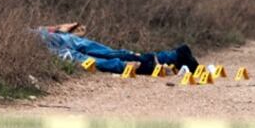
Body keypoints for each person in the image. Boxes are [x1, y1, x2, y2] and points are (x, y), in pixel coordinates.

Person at [38, 26, 199, 75]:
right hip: (47, 38)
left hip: (48, 39)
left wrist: (57, 28)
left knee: (94, 57)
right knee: (106, 54)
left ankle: (149, 64)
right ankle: (174, 55)